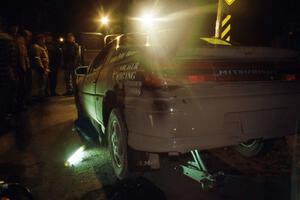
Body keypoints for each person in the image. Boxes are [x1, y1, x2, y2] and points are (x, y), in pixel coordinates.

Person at [0, 18, 19, 131]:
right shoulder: (7, 39)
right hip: (5, 74)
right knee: (6, 98)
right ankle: (5, 122)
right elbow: (12, 59)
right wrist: (12, 72)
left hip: (5, 72)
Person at [30, 34, 50, 101]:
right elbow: (37, 58)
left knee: (43, 83)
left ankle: (41, 95)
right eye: (43, 39)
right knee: (40, 83)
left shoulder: (43, 47)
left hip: (44, 68)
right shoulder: (37, 47)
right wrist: (41, 68)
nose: (44, 41)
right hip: (41, 69)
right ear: (39, 40)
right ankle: (39, 97)